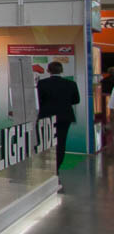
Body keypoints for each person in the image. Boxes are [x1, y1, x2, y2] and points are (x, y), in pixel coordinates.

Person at [36, 61, 79, 191]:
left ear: (48, 70)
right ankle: (56, 169)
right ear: (61, 70)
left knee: (46, 142)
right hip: (64, 117)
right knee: (61, 143)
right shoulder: (71, 84)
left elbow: (39, 99)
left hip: (47, 117)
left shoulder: (42, 83)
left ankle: (46, 168)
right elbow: (76, 100)